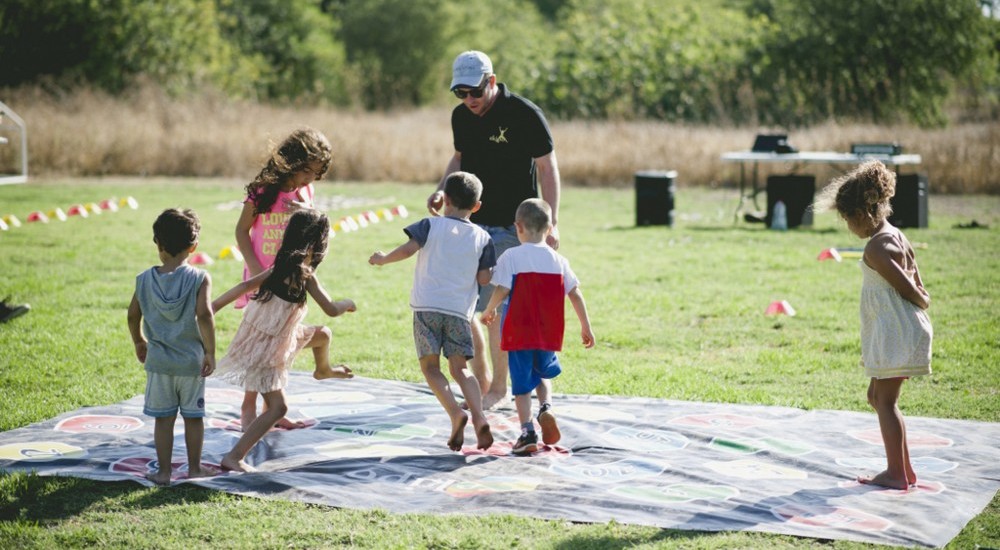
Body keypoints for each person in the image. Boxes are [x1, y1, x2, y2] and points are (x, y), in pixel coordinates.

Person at [427, 50, 563, 411]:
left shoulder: (524, 114)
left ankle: (501, 387)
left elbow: (547, 169)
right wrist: (442, 188)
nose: (468, 100)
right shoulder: (462, 116)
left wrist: (552, 223)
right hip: (469, 224)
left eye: (474, 92)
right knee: (462, 306)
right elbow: (459, 158)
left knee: (497, 309)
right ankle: (484, 380)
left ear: (491, 81)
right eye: (460, 93)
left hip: (512, 227)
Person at [213, 209, 356, 472]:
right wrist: (348, 303)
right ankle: (234, 456)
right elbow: (332, 309)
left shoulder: (280, 266)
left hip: (278, 336)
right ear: (317, 243)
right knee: (278, 407)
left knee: (322, 335)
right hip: (266, 348)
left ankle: (323, 370)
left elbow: (243, 287)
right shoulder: (304, 275)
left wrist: (212, 306)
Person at [818, 160, 932, 490]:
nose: (848, 225)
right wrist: (920, 295)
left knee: (885, 402)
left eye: (848, 218)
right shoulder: (894, 235)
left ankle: (896, 473)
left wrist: (922, 299)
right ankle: (905, 470)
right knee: (876, 396)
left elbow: (908, 286)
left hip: (897, 330)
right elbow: (915, 274)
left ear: (865, 212)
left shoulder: (877, 247)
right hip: (895, 329)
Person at [370, 171, 495, 451]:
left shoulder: (429, 225)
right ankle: (478, 414)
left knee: (430, 367)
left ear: (445, 199)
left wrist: (382, 259)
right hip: (460, 313)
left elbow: (407, 250)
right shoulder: (483, 238)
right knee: (461, 368)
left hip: (427, 308)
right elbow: (485, 279)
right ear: (476, 206)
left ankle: (455, 413)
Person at [233, 127, 333, 431]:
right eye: (307, 171)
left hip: (289, 282)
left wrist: (307, 209)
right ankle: (248, 408)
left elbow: (312, 226)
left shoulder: (306, 192)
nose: (310, 179)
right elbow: (241, 231)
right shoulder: (263, 190)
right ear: (291, 161)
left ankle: (272, 408)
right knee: (259, 345)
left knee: (278, 344)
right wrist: (254, 271)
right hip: (261, 280)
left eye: (316, 174)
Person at [480, 199, 595, 455]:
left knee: (521, 386)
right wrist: (585, 326)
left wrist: (489, 310)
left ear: (518, 227)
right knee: (542, 374)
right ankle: (546, 408)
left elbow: (502, 289)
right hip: (548, 331)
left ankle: (527, 432)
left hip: (518, 332)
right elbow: (575, 293)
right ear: (549, 229)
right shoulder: (558, 260)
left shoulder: (511, 256)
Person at [127, 208, 216, 485]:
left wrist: (139, 341)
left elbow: (132, 315)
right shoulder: (200, 278)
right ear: (193, 247)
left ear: (158, 243)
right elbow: (204, 315)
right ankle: (194, 468)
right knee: (193, 418)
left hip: (160, 365)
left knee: (163, 420)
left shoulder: (143, 280)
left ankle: (164, 472)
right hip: (191, 364)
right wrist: (210, 352)